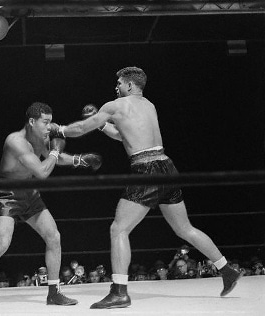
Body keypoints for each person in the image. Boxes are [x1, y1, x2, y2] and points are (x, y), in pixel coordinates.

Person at [52, 66, 243, 309]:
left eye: (119, 83)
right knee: (184, 228)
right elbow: (124, 136)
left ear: (130, 85)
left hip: (147, 170)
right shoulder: (149, 105)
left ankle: (120, 291)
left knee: (118, 229)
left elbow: (79, 129)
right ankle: (226, 269)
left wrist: (58, 129)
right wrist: (102, 126)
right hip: (167, 167)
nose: (116, 87)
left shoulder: (115, 105)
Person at [0, 102, 102, 314]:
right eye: (45, 122)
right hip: (7, 194)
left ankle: (54, 292)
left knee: (53, 236)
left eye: (50, 121)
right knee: (1, 242)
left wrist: (80, 160)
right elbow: (43, 171)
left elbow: (53, 158)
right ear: (31, 122)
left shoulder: (43, 136)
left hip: (30, 194)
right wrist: (56, 151)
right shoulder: (15, 142)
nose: (49, 126)